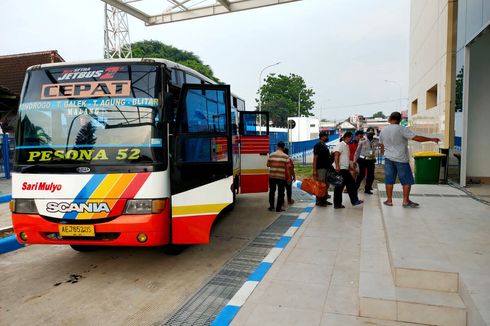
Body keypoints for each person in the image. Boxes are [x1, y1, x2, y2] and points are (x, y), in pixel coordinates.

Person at [379, 111, 440, 207]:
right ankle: (405, 201)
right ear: (400, 120)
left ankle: (389, 201)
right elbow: (416, 138)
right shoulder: (402, 129)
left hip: (388, 159)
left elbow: (382, 145)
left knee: (389, 180)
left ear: (390, 119)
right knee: (406, 180)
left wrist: (385, 154)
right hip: (401, 159)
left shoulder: (383, 131)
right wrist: (431, 139)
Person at [333, 131, 364, 209]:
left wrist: (350, 168)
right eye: (351, 137)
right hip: (341, 169)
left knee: (340, 187)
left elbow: (345, 159)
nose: (351, 139)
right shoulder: (341, 144)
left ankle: (338, 204)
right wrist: (337, 166)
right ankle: (354, 201)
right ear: (348, 137)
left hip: (345, 168)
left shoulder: (346, 146)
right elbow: (336, 155)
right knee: (351, 184)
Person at [267, 141, 290, 212]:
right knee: (280, 192)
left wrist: (274, 164)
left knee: (272, 191)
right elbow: (287, 169)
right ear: (283, 148)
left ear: (277, 146)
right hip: (281, 177)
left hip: (272, 176)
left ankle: (271, 206)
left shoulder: (271, 155)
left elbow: (268, 165)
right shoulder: (285, 156)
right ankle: (278, 208)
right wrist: (288, 177)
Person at [354, 127, 377, 194]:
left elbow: (374, 151)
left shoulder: (375, 141)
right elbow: (357, 151)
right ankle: (355, 188)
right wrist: (354, 161)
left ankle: (367, 189)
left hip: (371, 160)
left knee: (371, 176)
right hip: (362, 160)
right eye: (369, 133)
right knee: (361, 175)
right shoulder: (362, 140)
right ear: (366, 133)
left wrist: (374, 157)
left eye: (372, 133)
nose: (370, 135)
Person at [312, 131, 332, 206]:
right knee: (320, 185)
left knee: (326, 185)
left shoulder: (324, 145)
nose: (327, 137)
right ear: (322, 136)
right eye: (326, 136)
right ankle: (319, 201)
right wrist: (314, 170)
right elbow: (315, 158)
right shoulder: (318, 145)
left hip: (326, 168)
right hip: (320, 168)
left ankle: (324, 200)